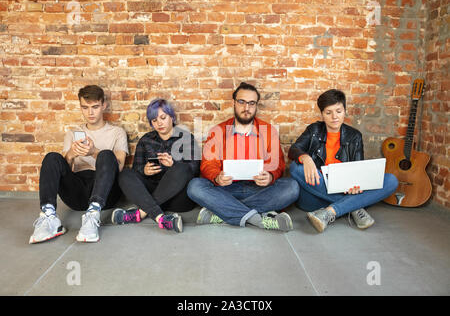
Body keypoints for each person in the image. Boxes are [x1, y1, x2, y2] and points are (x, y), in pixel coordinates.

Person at [187, 82, 299, 231]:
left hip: (258, 189)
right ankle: (257, 219)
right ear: (234, 103)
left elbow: (277, 164)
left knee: (291, 187)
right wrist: (217, 177)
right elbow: (208, 165)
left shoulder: (269, 131)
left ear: (256, 105)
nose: (246, 108)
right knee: (195, 186)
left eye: (251, 103)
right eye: (242, 102)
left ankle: (222, 212)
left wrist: (270, 176)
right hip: (226, 189)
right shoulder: (218, 130)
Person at [288, 89, 398, 233]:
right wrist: (306, 158)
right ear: (322, 114)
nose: (334, 117)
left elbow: (359, 171)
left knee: (391, 180)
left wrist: (357, 186)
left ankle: (329, 212)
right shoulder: (314, 130)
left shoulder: (354, 136)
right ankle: (353, 207)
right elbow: (294, 150)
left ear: (345, 111)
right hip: (315, 193)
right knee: (295, 167)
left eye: (338, 111)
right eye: (328, 112)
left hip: (345, 190)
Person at [29, 85, 128, 243]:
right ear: (80, 107)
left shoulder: (117, 132)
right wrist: (71, 155)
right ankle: (49, 217)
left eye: (95, 107)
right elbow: (66, 171)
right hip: (77, 192)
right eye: (85, 107)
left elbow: (120, 166)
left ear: (104, 106)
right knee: (52, 157)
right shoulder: (73, 134)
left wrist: (93, 151)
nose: (90, 112)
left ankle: (93, 215)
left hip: (106, 192)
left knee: (106, 154)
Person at [111, 99, 200, 233]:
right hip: (151, 191)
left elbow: (194, 170)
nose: (159, 123)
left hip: (178, 198)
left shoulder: (186, 138)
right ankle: (161, 218)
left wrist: (173, 165)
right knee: (125, 174)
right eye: (154, 120)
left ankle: (140, 213)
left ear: (172, 117)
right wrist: (144, 171)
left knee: (182, 168)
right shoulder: (146, 140)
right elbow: (136, 171)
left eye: (163, 118)